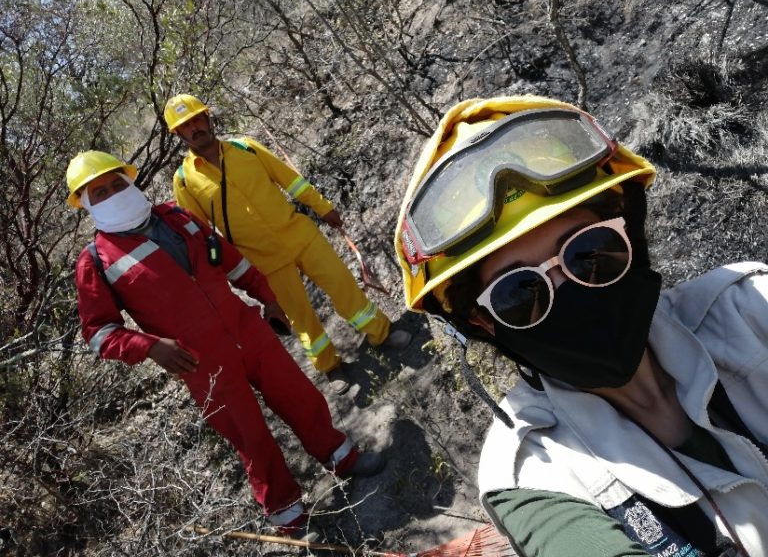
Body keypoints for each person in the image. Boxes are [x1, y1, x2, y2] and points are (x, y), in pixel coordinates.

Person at [395, 96, 768, 556]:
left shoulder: (750, 306)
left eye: (589, 252)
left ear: (628, 233)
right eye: (520, 293)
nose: (571, 290)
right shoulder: (533, 474)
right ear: (482, 322)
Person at [67, 150, 385, 540]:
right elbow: (98, 330)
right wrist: (148, 347)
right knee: (251, 438)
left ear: (131, 181)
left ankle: (342, 457)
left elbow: (232, 262)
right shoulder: (96, 260)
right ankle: (289, 517)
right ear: (84, 204)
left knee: (300, 396)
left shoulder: (177, 216)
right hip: (200, 363)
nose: (113, 193)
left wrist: (267, 298)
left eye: (118, 183)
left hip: (247, 330)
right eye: (99, 192)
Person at [163, 94, 412, 395]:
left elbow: (290, 180)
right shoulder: (184, 181)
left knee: (343, 284)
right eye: (186, 126)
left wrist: (323, 207)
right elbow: (200, 233)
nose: (195, 129)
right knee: (301, 317)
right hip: (263, 260)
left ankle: (381, 334)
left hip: (299, 233)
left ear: (208, 118)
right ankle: (330, 366)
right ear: (177, 134)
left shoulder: (246, 148)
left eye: (197, 120)